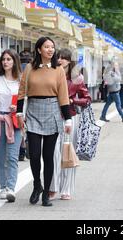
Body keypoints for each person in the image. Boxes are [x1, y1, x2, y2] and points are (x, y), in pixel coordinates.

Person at [16, 37, 72, 207]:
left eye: (52, 47)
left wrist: (68, 118)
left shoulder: (58, 70)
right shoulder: (29, 68)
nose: (50, 50)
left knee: (48, 157)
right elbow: (21, 92)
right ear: (39, 49)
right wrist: (19, 112)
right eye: (46, 47)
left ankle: (47, 193)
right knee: (33, 155)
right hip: (33, 111)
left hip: (53, 111)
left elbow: (63, 95)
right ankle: (36, 185)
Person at [50, 48, 92, 200]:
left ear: (69, 60)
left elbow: (87, 99)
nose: (60, 60)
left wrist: (74, 100)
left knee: (68, 152)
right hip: (52, 118)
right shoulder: (51, 74)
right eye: (58, 57)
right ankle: (52, 186)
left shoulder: (77, 78)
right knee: (53, 153)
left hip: (70, 117)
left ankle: (66, 188)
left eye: (64, 58)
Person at [0, 49, 22, 203]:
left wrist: (18, 108)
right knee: (0, 157)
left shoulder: (21, 80)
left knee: (12, 157)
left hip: (14, 121)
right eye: (4, 59)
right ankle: (2, 186)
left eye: (9, 59)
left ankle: (11, 188)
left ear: (14, 61)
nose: (6, 62)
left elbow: (26, 100)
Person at [18, 49, 33, 161]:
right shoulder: (32, 69)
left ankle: (21, 151)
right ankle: (28, 149)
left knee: (20, 127)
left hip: (19, 100)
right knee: (28, 127)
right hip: (30, 102)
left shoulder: (17, 70)